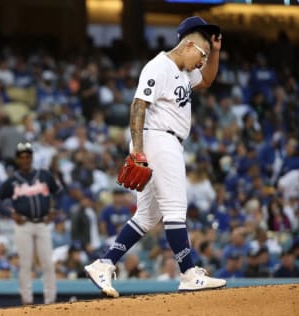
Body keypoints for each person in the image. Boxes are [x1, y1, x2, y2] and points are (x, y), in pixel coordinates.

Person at [84, 16, 227, 297]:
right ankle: (188, 273)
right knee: (175, 208)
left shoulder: (185, 71)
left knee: (148, 216)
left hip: (166, 140)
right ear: (188, 45)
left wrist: (216, 52)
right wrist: (138, 150)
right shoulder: (159, 66)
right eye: (202, 54)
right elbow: (138, 105)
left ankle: (104, 263)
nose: (203, 61)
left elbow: (208, 79)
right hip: (158, 138)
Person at [0, 142, 63, 305]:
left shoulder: (44, 175)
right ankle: (26, 300)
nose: (25, 159)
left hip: (42, 223)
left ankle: (50, 300)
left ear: (32, 157)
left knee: (47, 263)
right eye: (21, 157)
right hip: (24, 224)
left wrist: (54, 210)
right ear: (17, 159)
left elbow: (59, 193)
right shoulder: (12, 180)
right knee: (25, 263)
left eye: (27, 156)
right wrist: (10, 213)